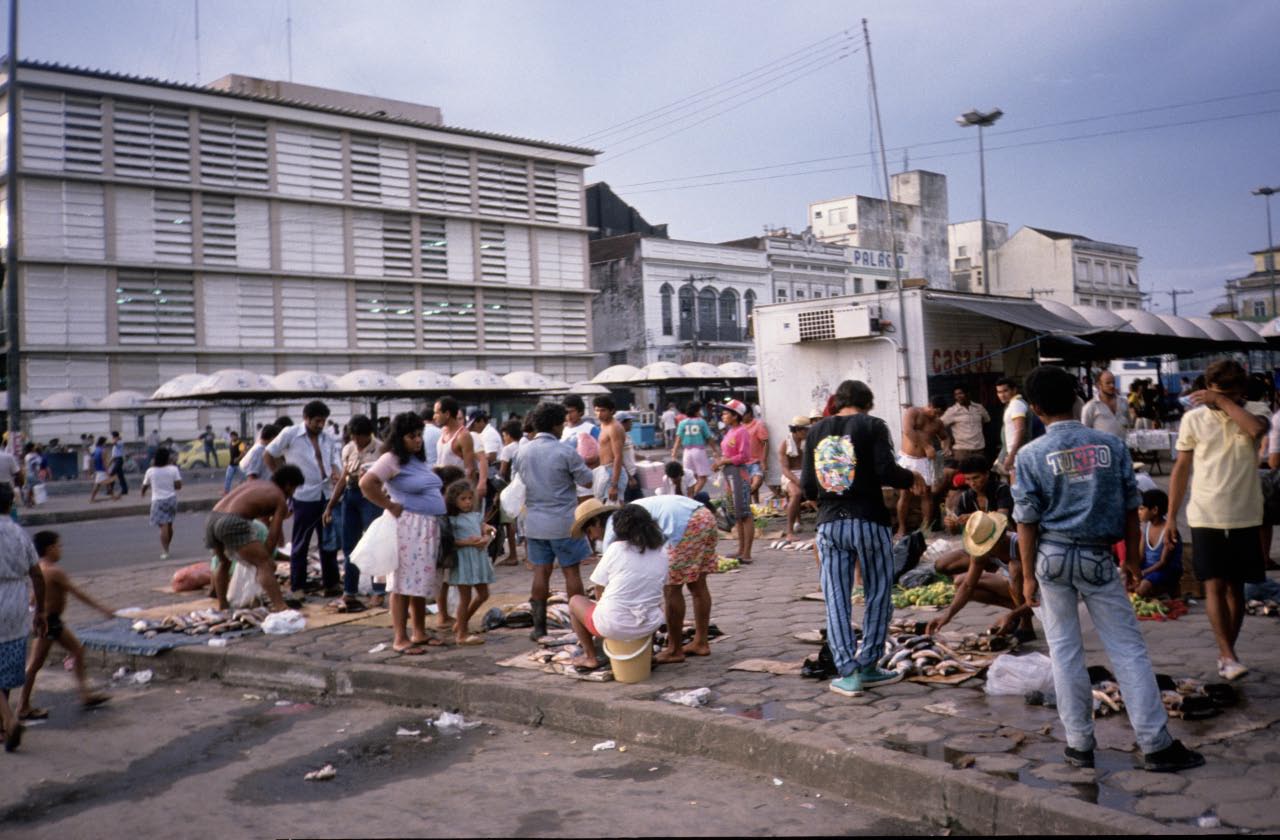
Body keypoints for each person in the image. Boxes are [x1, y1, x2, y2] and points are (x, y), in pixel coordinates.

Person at [1013, 364, 1203, 773]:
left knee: (1064, 654)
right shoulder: (1110, 446)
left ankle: (1079, 746)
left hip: (1051, 558)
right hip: (1099, 558)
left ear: (1034, 408)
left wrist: (1028, 576)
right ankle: (1155, 745)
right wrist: (1132, 560)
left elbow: (1025, 522)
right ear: (1077, 399)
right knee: (1127, 649)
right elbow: (1131, 512)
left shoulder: (1029, 455)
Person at [801, 380, 925, 697]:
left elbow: (808, 487)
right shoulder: (873, 425)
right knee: (878, 593)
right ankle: (869, 664)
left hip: (830, 524)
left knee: (836, 597)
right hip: (869, 520)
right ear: (867, 402)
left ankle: (848, 672)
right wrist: (911, 477)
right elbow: (886, 471)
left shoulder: (815, 431)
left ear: (838, 402)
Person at [1166, 359, 1269, 682]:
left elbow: (1255, 430)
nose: (1219, 399)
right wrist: (1171, 517)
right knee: (1213, 584)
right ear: (1206, 388)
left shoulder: (1255, 410)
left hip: (1246, 513)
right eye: (1214, 392)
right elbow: (1181, 469)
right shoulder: (1193, 419)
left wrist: (1222, 401)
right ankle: (1227, 654)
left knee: (1237, 589)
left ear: (1240, 391)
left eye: (1229, 393)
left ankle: (1228, 652)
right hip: (1206, 513)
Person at [578, 493, 718, 664]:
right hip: (703, 515)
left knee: (672, 588)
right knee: (698, 586)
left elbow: (608, 581)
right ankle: (701, 642)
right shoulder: (626, 514)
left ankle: (675, 650)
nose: (592, 538)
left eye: (589, 532)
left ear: (597, 522)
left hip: (686, 523)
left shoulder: (613, 530)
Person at [359, 412, 447, 655]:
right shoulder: (391, 459)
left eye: (419, 435)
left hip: (426, 526)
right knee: (402, 582)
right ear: (400, 437)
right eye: (412, 436)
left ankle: (419, 631)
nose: (418, 440)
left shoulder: (415, 461)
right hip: (408, 526)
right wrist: (389, 505)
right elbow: (367, 483)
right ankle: (400, 636)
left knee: (419, 581)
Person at [512, 402, 594, 641]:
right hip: (564, 522)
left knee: (541, 572)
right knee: (571, 572)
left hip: (534, 522)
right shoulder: (565, 451)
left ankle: (539, 628)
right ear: (557, 424)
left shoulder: (521, 451)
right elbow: (587, 481)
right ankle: (580, 625)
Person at [16, 530, 112, 722]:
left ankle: (85, 694)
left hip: (52, 622)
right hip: (49, 623)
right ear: (50, 549)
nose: (61, 550)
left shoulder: (40, 569)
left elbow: (33, 599)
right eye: (59, 546)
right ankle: (22, 706)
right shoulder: (54, 572)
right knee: (34, 664)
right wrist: (102, 608)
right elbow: (77, 593)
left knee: (77, 650)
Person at [565, 502, 668, 671]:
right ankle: (646, 655)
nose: (590, 537)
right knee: (651, 602)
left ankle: (591, 657)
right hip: (650, 624)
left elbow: (598, 587)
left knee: (575, 601)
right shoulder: (662, 552)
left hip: (613, 625)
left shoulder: (615, 549)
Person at [264, 400, 342, 600]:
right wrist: (282, 479)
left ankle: (331, 584)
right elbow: (269, 454)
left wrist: (335, 472)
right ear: (306, 418)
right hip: (303, 496)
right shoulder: (290, 434)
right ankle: (298, 587)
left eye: (323, 421)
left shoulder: (327, 437)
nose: (320, 425)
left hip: (325, 494)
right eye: (317, 421)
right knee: (301, 543)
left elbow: (334, 461)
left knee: (329, 541)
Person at [206, 466, 305, 613]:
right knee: (263, 563)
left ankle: (223, 606)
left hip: (212, 518)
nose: (293, 493)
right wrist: (268, 558)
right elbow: (273, 536)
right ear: (288, 485)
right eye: (294, 489)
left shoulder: (257, 484)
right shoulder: (279, 498)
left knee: (224, 562)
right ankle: (281, 607)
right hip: (232, 521)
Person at [926, 512, 1030, 638]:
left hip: (1035, 591)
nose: (984, 551)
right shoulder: (982, 551)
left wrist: (1012, 615)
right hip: (1013, 588)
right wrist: (947, 615)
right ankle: (1018, 612)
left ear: (1000, 538)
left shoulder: (1020, 545)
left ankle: (1026, 624)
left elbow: (1040, 593)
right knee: (962, 583)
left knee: (1015, 568)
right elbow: (968, 586)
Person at [322, 415, 384, 611]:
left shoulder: (380, 449)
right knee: (350, 546)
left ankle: (379, 590)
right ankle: (350, 590)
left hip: (371, 498)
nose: (357, 441)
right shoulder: (348, 448)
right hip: (350, 496)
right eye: (354, 437)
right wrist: (331, 504)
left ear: (369, 434)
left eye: (360, 438)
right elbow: (343, 478)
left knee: (374, 543)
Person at [0, 485, 45, 751]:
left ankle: (8, 720)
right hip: (16, 601)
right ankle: (3, 726)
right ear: (10, 504)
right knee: (4, 668)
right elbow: (37, 575)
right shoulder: (18, 533)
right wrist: (39, 610)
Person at [441, 479, 495, 646]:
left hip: (477, 558)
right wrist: (470, 542)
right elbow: (451, 542)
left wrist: (486, 536)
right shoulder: (452, 520)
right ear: (453, 501)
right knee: (465, 597)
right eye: (463, 499)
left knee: (483, 594)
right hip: (463, 560)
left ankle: (460, 623)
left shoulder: (475, 516)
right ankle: (462, 634)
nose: (467, 502)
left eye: (470, 498)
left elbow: (488, 530)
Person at [895, 397, 950, 537]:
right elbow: (908, 431)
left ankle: (926, 528)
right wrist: (926, 446)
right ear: (930, 405)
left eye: (940, 414)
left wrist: (946, 448)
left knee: (926, 494)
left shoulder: (937, 422)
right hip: (907, 459)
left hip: (924, 461)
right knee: (905, 494)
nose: (936, 416)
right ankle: (902, 528)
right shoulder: (913, 412)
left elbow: (945, 437)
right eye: (935, 412)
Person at [713, 399, 755, 563]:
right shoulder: (729, 432)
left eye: (725, 413)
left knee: (744, 513)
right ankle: (740, 549)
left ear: (735, 416)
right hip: (729, 474)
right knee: (737, 513)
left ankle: (747, 553)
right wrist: (720, 463)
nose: (722, 416)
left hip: (739, 474)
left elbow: (744, 456)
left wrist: (723, 461)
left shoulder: (741, 432)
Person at [943, 456, 1013, 533]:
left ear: (987, 474)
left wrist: (975, 517)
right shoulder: (965, 497)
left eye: (976, 478)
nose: (972, 483)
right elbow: (955, 532)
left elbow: (1001, 518)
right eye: (968, 479)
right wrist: (952, 524)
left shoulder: (1001, 489)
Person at [1136, 489, 1182, 599]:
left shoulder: (1168, 531)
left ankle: (1166, 589)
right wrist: (1133, 571)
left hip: (1164, 569)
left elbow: (1163, 562)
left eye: (1142, 509)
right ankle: (1155, 590)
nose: (1139, 512)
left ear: (1155, 510)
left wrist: (1142, 573)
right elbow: (1141, 556)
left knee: (1143, 588)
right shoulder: (1146, 528)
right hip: (1149, 568)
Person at [141, 447, 182, 561]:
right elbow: (179, 486)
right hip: (172, 500)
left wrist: (142, 493)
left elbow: (144, 486)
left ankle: (165, 551)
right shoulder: (173, 469)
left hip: (158, 501)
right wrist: (168, 486)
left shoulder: (150, 471)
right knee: (169, 525)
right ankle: (167, 545)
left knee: (163, 526)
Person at [671, 401, 717, 497]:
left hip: (686, 452)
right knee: (703, 477)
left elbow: (678, 439)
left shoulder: (682, 423)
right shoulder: (701, 422)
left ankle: (689, 495)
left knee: (690, 477)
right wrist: (716, 450)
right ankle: (692, 496)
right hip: (699, 451)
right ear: (696, 411)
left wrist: (674, 452)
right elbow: (709, 438)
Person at [495, 419, 523, 565]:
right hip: (523, 487)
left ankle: (513, 555)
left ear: (508, 434)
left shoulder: (507, 449)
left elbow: (502, 472)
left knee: (509, 521)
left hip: (510, 488)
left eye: (504, 435)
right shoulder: (523, 445)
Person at [778, 416, 810, 542]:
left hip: (806, 472)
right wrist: (798, 481)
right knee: (796, 493)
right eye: (805, 430)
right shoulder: (785, 444)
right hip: (790, 474)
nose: (807, 433)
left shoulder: (809, 441)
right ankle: (789, 532)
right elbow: (785, 469)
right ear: (797, 430)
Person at [592, 395, 628, 504]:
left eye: (603, 410)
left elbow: (618, 456)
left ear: (612, 411)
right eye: (597, 410)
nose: (599, 414)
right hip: (604, 471)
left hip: (612, 473)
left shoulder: (614, 428)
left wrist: (614, 485)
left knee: (613, 510)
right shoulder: (603, 425)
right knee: (603, 509)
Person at [941, 386, 989, 463]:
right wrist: (946, 444)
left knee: (978, 473)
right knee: (963, 474)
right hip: (962, 451)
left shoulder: (979, 407)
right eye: (956, 395)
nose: (958, 396)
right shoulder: (952, 411)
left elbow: (986, 421)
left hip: (979, 449)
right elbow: (939, 426)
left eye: (961, 393)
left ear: (968, 394)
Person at [995, 378, 1029, 481]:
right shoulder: (1013, 404)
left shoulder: (1016, 404)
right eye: (999, 392)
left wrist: (1012, 455)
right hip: (1015, 453)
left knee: (1017, 488)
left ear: (1014, 390)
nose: (1002, 395)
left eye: (1005, 391)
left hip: (1018, 454)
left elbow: (1020, 430)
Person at [1081, 370, 1127, 438]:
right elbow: (1085, 434)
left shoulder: (1123, 402)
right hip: (1103, 447)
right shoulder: (1090, 407)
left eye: (1113, 382)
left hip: (1124, 447)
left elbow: (1129, 425)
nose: (1112, 385)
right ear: (1098, 385)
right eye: (1108, 383)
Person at [742, 405, 770, 504]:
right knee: (748, 484)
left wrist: (763, 460)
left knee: (756, 482)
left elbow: (765, 442)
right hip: (743, 462)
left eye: (742, 414)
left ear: (749, 414)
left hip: (756, 461)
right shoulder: (740, 427)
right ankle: (753, 507)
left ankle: (744, 499)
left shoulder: (758, 425)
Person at [616, 412, 644, 503]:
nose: (632, 424)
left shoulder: (627, 436)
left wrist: (645, 457)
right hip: (625, 476)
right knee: (628, 502)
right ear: (622, 423)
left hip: (633, 472)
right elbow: (618, 458)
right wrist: (630, 478)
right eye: (629, 421)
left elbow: (630, 453)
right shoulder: (618, 438)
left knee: (640, 501)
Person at [88, 436, 118, 503]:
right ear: (103, 443)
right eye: (105, 442)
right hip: (102, 470)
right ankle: (92, 499)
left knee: (108, 483)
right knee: (98, 485)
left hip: (98, 469)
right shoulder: (103, 451)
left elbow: (93, 460)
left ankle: (113, 497)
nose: (106, 444)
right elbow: (104, 462)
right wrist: (107, 470)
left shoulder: (96, 450)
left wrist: (91, 471)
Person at [222, 430, 244, 495]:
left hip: (239, 465)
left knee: (243, 478)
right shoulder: (231, 443)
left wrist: (238, 458)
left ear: (236, 436)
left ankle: (242, 490)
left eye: (233, 436)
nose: (232, 438)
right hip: (231, 464)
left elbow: (243, 453)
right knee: (228, 478)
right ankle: (226, 491)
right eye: (231, 437)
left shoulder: (240, 443)